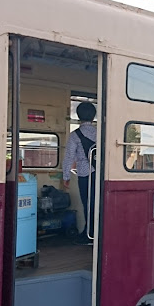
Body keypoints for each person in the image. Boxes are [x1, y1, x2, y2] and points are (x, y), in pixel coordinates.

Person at [62, 102, 96, 245]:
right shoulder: (101, 132)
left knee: (87, 203)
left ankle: (89, 234)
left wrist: (66, 176)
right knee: (99, 204)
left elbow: (69, 156)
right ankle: (97, 232)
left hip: (84, 172)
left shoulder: (75, 135)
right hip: (101, 174)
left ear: (78, 116)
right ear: (94, 116)